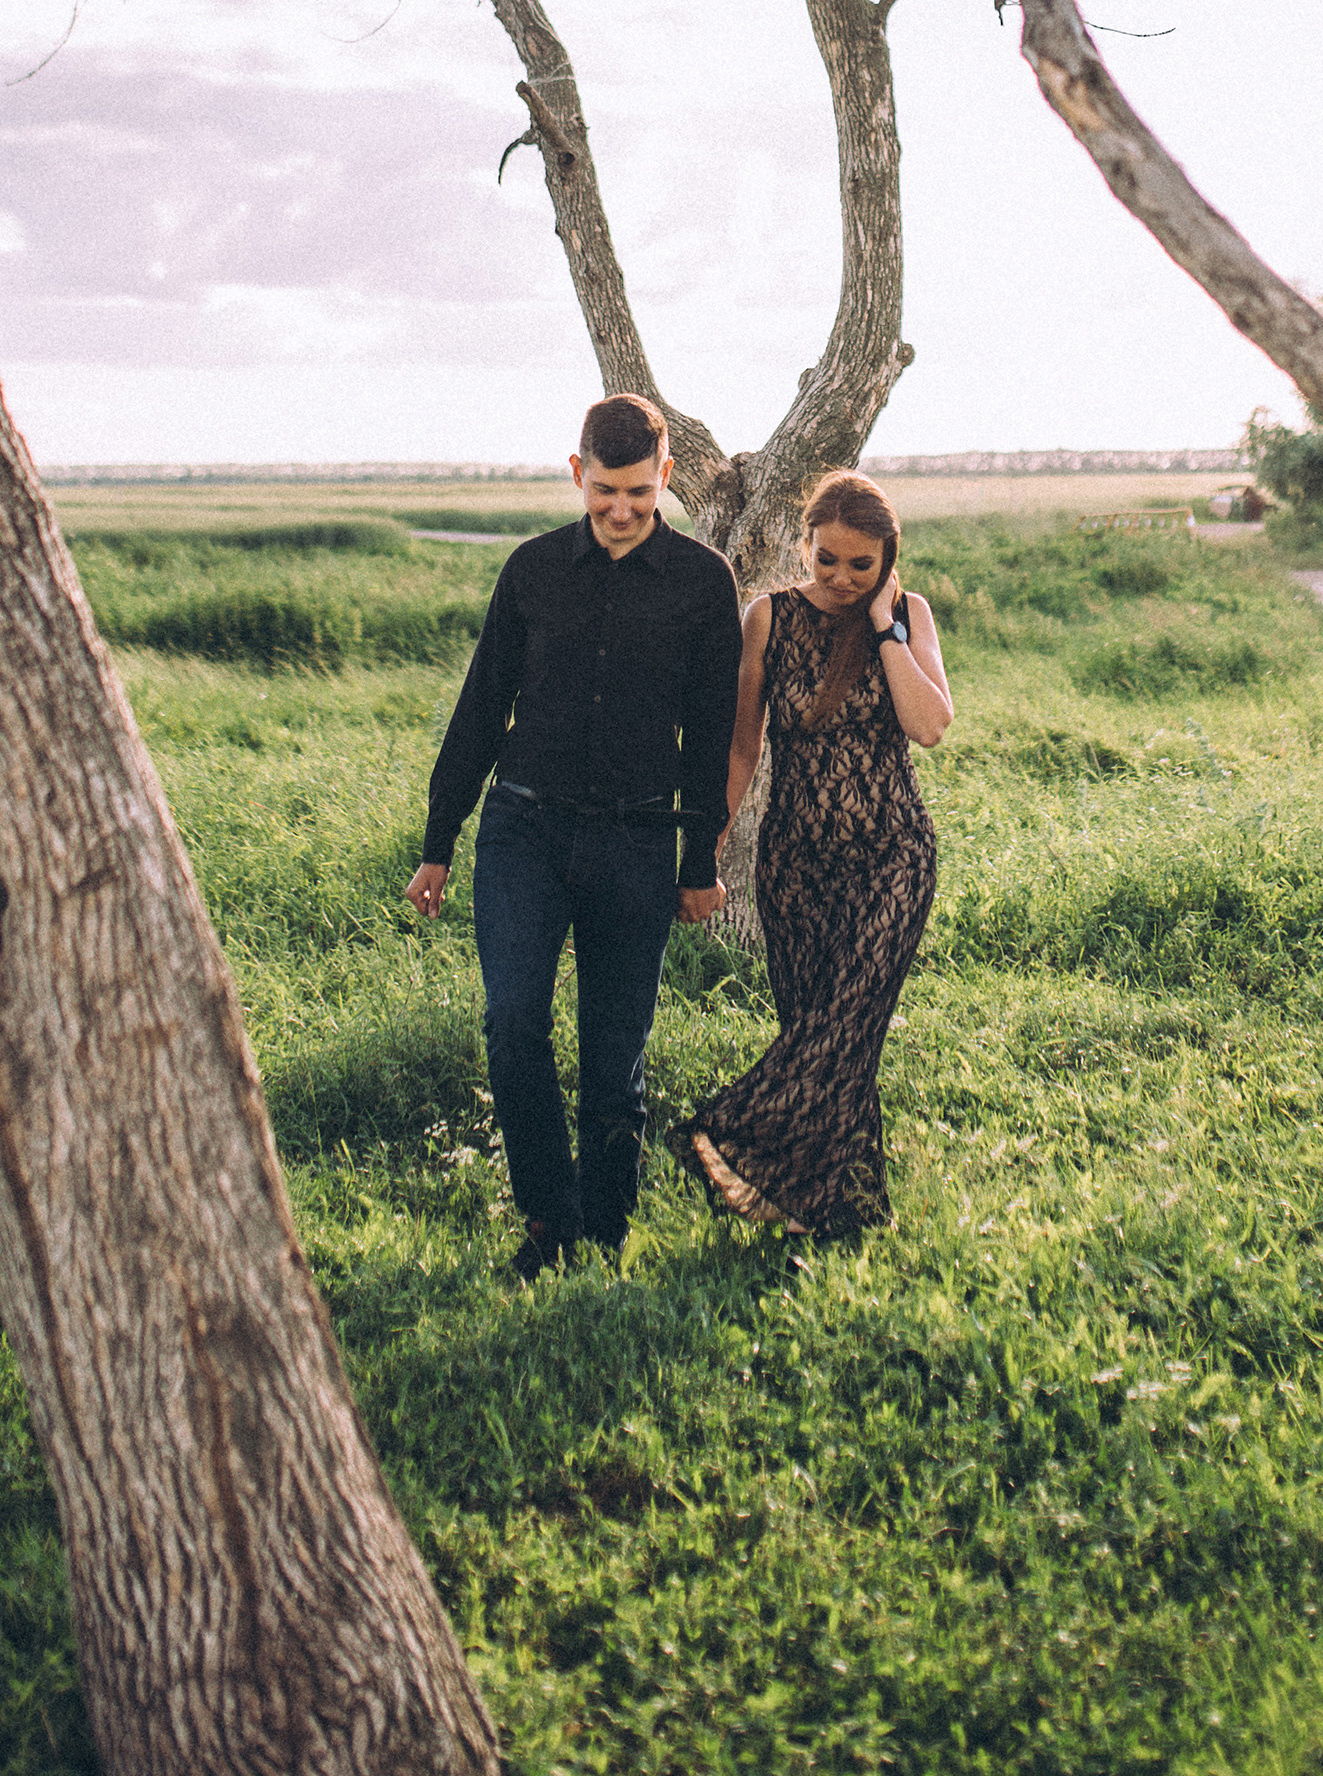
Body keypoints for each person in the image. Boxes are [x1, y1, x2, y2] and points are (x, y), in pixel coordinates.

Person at [406, 395, 740, 1279]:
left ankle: (606, 1229)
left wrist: (700, 857)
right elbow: (481, 710)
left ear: (666, 477)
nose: (621, 510)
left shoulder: (704, 582)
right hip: (524, 829)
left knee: (613, 1048)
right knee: (513, 1024)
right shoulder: (531, 571)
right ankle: (552, 1221)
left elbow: (709, 736)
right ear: (575, 474)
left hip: (635, 842)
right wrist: (440, 840)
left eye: (637, 492)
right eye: (603, 492)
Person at [675, 470, 951, 1240]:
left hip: (892, 856)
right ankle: (840, 1216)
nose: (839, 578)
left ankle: (729, 1133)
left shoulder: (909, 616)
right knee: (829, 1046)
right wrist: (707, 848)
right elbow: (741, 745)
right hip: (794, 865)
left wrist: (888, 625)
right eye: (826, 559)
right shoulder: (768, 617)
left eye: (861, 564)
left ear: (888, 561)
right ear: (806, 546)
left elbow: (929, 724)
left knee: (847, 1023)